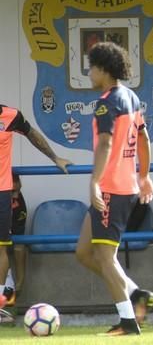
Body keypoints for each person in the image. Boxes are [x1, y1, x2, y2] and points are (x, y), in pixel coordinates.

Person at [74, 42, 153, 336]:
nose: (89, 72)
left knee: (105, 257)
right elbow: (145, 139)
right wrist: (144, 176)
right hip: (125, 186)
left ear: (104, 70)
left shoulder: (105, 102)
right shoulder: (131, 97)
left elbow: (106, 143)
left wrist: (94, 182)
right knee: (84, 251)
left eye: (92, 67)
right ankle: (136, 294)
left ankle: (127, 322)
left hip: (111, 188)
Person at [0, 103, 71, 318]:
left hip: (2, 192)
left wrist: (55, 157)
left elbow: (32, 134)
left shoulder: (10, 115)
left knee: (0, 248)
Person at [1, 173, 28, 314]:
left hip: (7, 241)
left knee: (17, 247)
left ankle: (12, 288)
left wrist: (20, 282)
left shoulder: (18, 204)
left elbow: (18, 240)